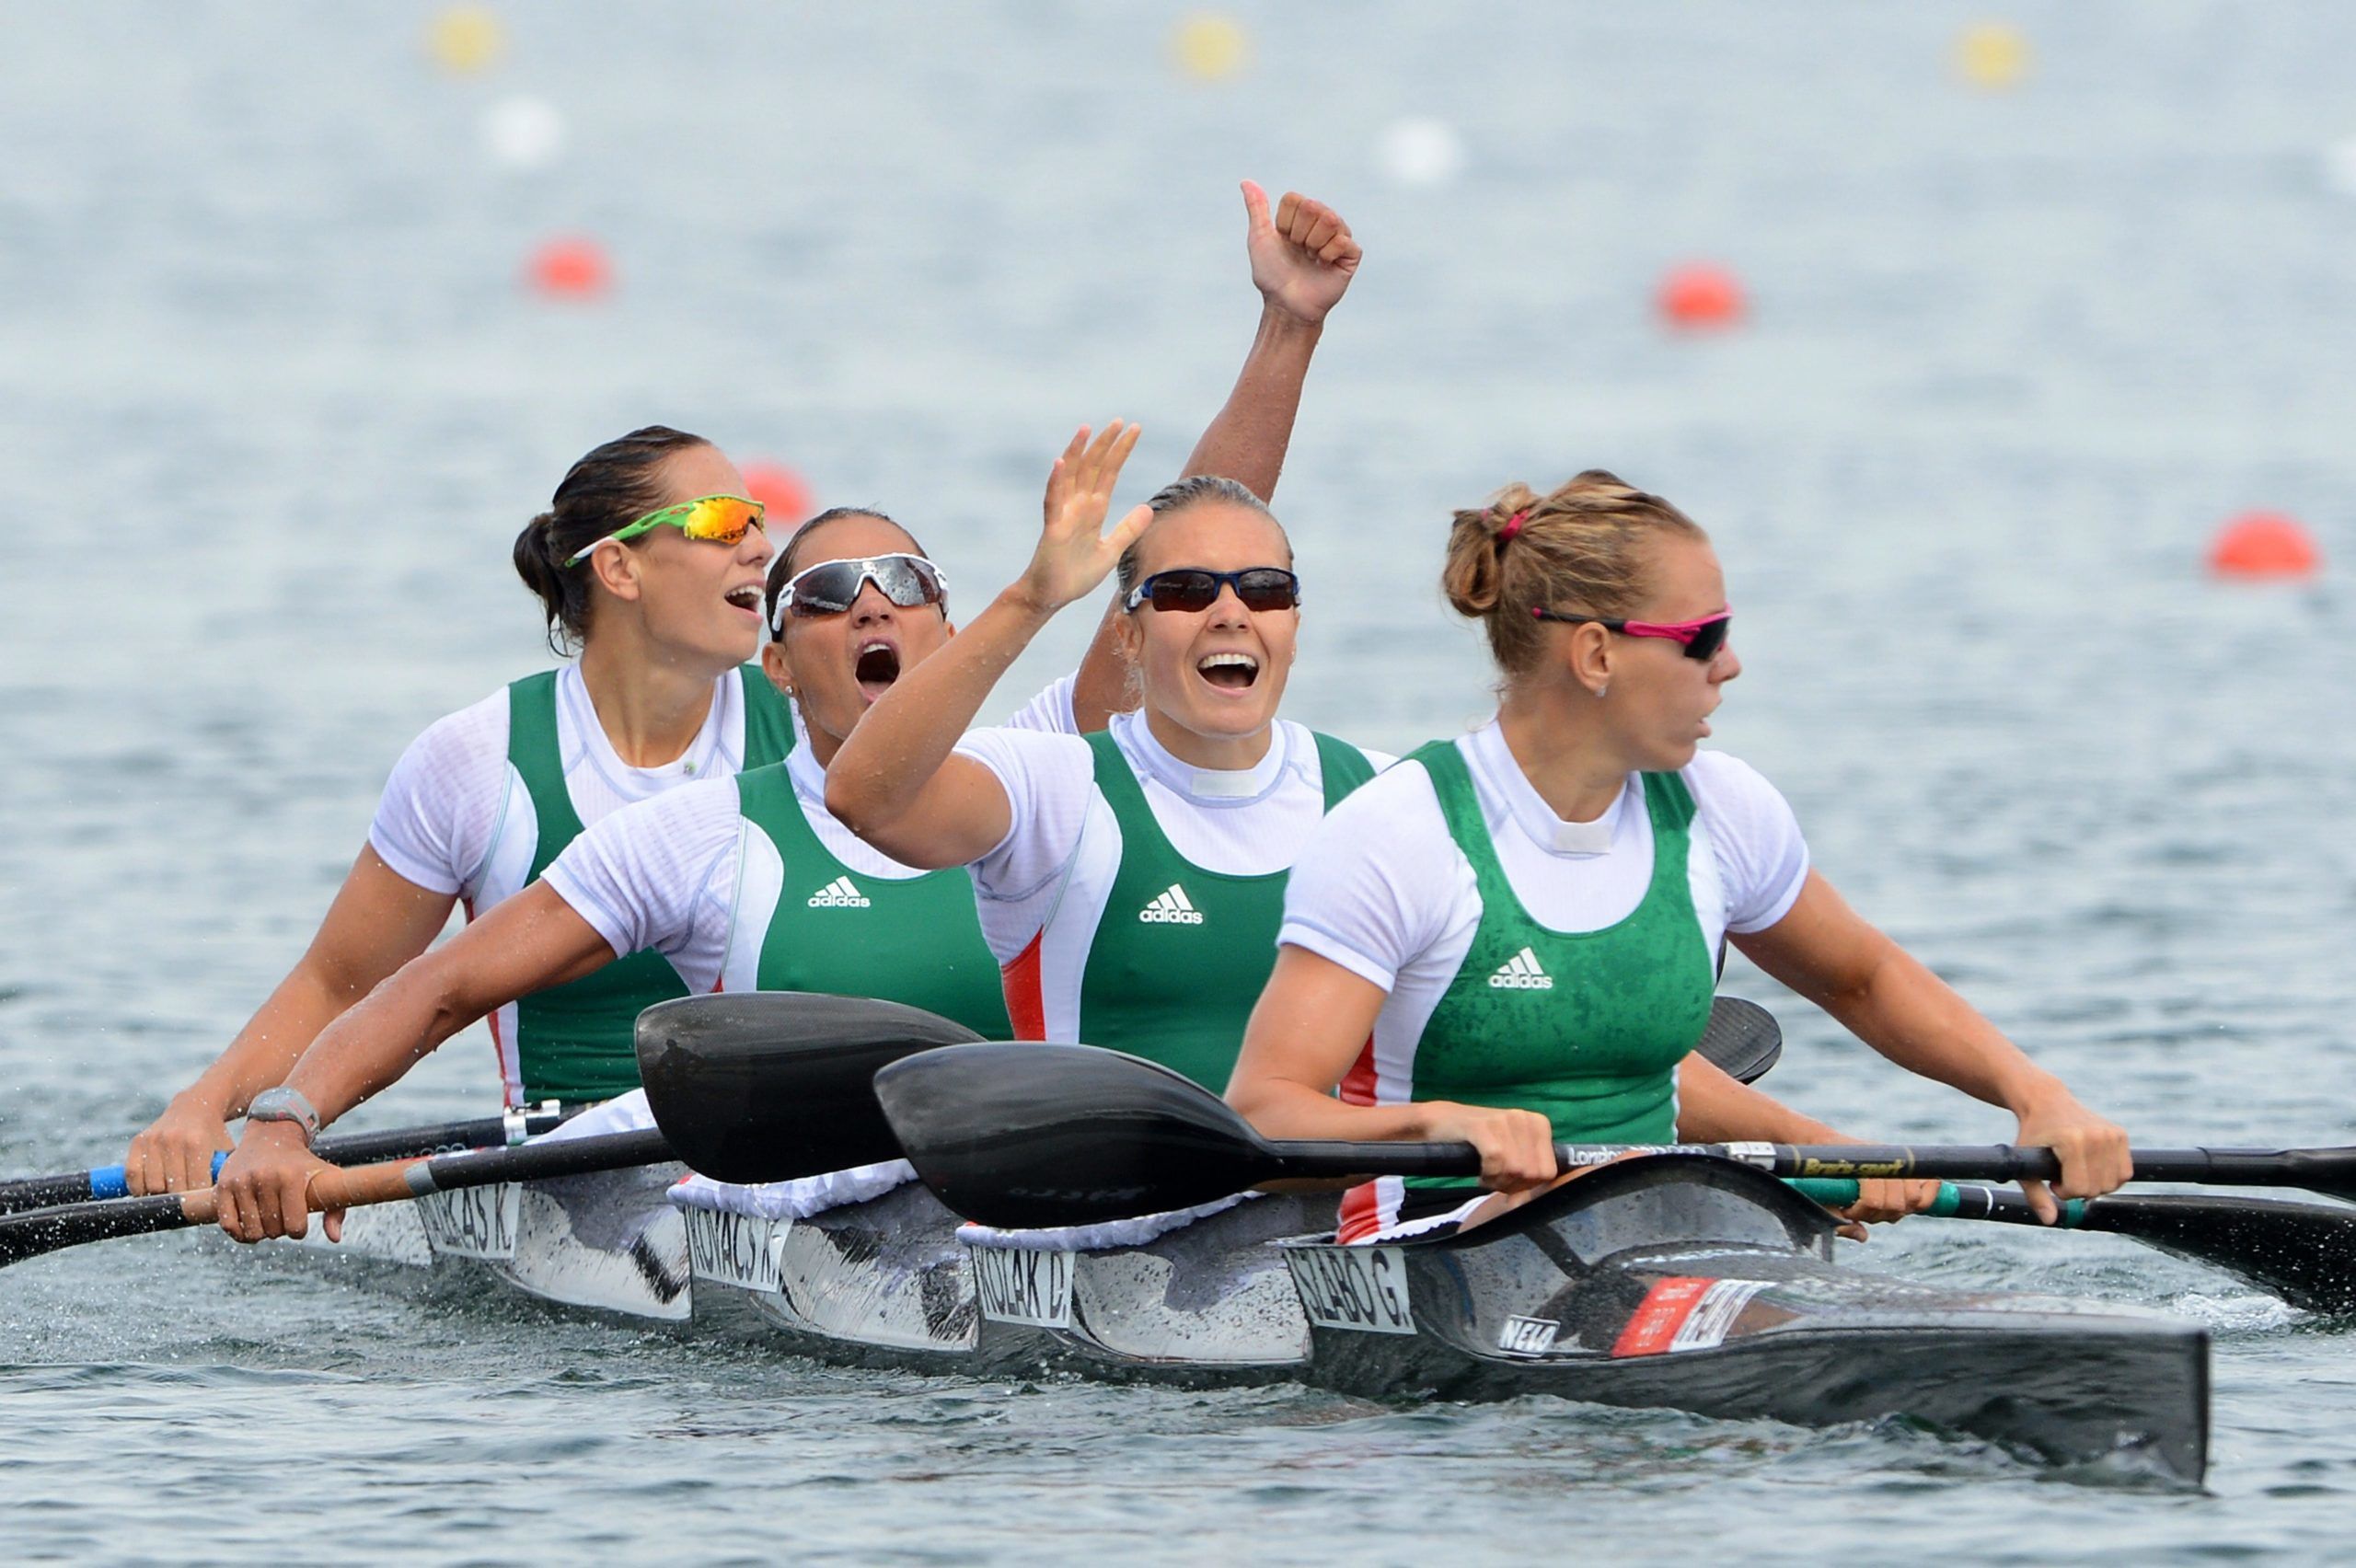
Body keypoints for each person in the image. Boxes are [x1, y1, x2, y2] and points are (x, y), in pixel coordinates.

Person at [209, 181, 1367, 1243]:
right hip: (796, 1218)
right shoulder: (703, 834)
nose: (872, 607)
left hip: (998, 1208)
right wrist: (286, 1116)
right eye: (824, 594)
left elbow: (1196, 560)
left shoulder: (1036, 779)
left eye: (906, 583)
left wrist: (1288, 327)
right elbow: (444, 986)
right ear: (775, 664)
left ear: (950, 632)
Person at [1223, 471, 2133, 1242]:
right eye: (1702, 639)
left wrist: (2035, 1095)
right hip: (1434, 1245)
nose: (1729, 666)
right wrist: (1434, 1124)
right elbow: (1263, 1117)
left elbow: (1864, 980)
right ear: (1595, 655)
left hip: (1657, 1235)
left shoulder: (1721, 809)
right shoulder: (1403, 833)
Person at [127, 425, 794, 1194]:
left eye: (758, 521)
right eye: (722, 523)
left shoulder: (812, 730)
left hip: (776, 1149)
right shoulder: (477, 763)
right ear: (619, 567)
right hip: (567, 1170)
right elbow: (340, 985)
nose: (760, 548)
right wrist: (206, 1106)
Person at [825, 451, 1385, 1092]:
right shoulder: (1055, 789)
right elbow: (862, 796)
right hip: (1105, 1159)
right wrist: (1032, 600)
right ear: (1128, 636)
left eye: (1264, 589)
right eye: (1186, 590)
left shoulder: (1379, 794)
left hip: (1323, 1160)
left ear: (1294, 625)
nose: (1231, 613)